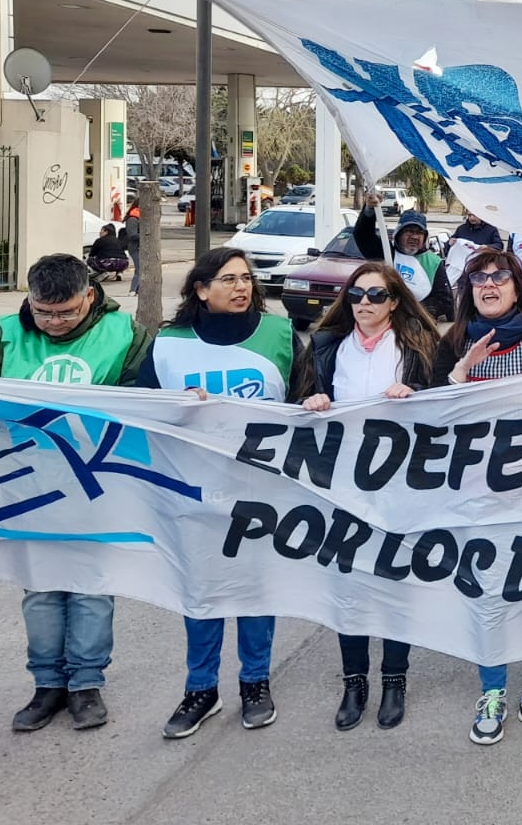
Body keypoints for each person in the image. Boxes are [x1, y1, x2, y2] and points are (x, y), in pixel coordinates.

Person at [0, 253, 152, 733]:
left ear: (90, 295)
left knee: (91, 586)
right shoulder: (5, 334)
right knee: (41, 588)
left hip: (97, 484)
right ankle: (47, 684)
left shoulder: (124, 334)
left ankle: (86, 685)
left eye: (66, 312)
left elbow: (148, 401)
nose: (53, 322)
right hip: (26, 484)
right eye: (43, 312)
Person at [140, 247, 313, 739]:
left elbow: (303, 397)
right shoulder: (168, 343)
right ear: (201, 288)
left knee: (256, 590)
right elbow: (141, 407)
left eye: (246, 279)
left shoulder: (279, 334)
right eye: (229, 279)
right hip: (192, 491)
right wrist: (172, 404)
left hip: (260, 489)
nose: (242, 287)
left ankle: (255, 682)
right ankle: (201, 689)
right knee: (202, 592)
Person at [434, 246, 522, 744]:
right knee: (485, 591)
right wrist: (458, 373)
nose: (489, 285)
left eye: (499, 276)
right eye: (479, 279)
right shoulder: (452, 341)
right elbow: (432, 417)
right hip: (475, 493)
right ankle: (492, 684)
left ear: (518, 284)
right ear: (468, 291)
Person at [302, 262, 439, 732]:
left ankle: (395, 679)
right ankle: (354, 681)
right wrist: (311, 401)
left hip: (399, 482)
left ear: (395, 301)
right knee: (349, 584)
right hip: (340, 482)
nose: (364, 303)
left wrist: (417, 391)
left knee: (394, 581)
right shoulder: (325, 347)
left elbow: (445, 407)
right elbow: (297, 405)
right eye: (357, 294)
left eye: (376, 295)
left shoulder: (418, 346)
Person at [352, 195, 450, 317]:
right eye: (409, 231)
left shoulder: (433, 262)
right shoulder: (385, 252)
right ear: (398, 233)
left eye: (419, 232)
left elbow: (444, 300)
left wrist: (412, 312)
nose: (414, 236)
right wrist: (369, 210)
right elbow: (363, 235)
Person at [123, 199, 142, 294]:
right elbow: (132, 235)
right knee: (139, 268)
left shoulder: (140, 218)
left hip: (140, 248)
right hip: (135, 248)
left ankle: (137, 289)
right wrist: (145, 234)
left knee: (141, 269)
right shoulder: (133, 219)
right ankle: (133, 289)